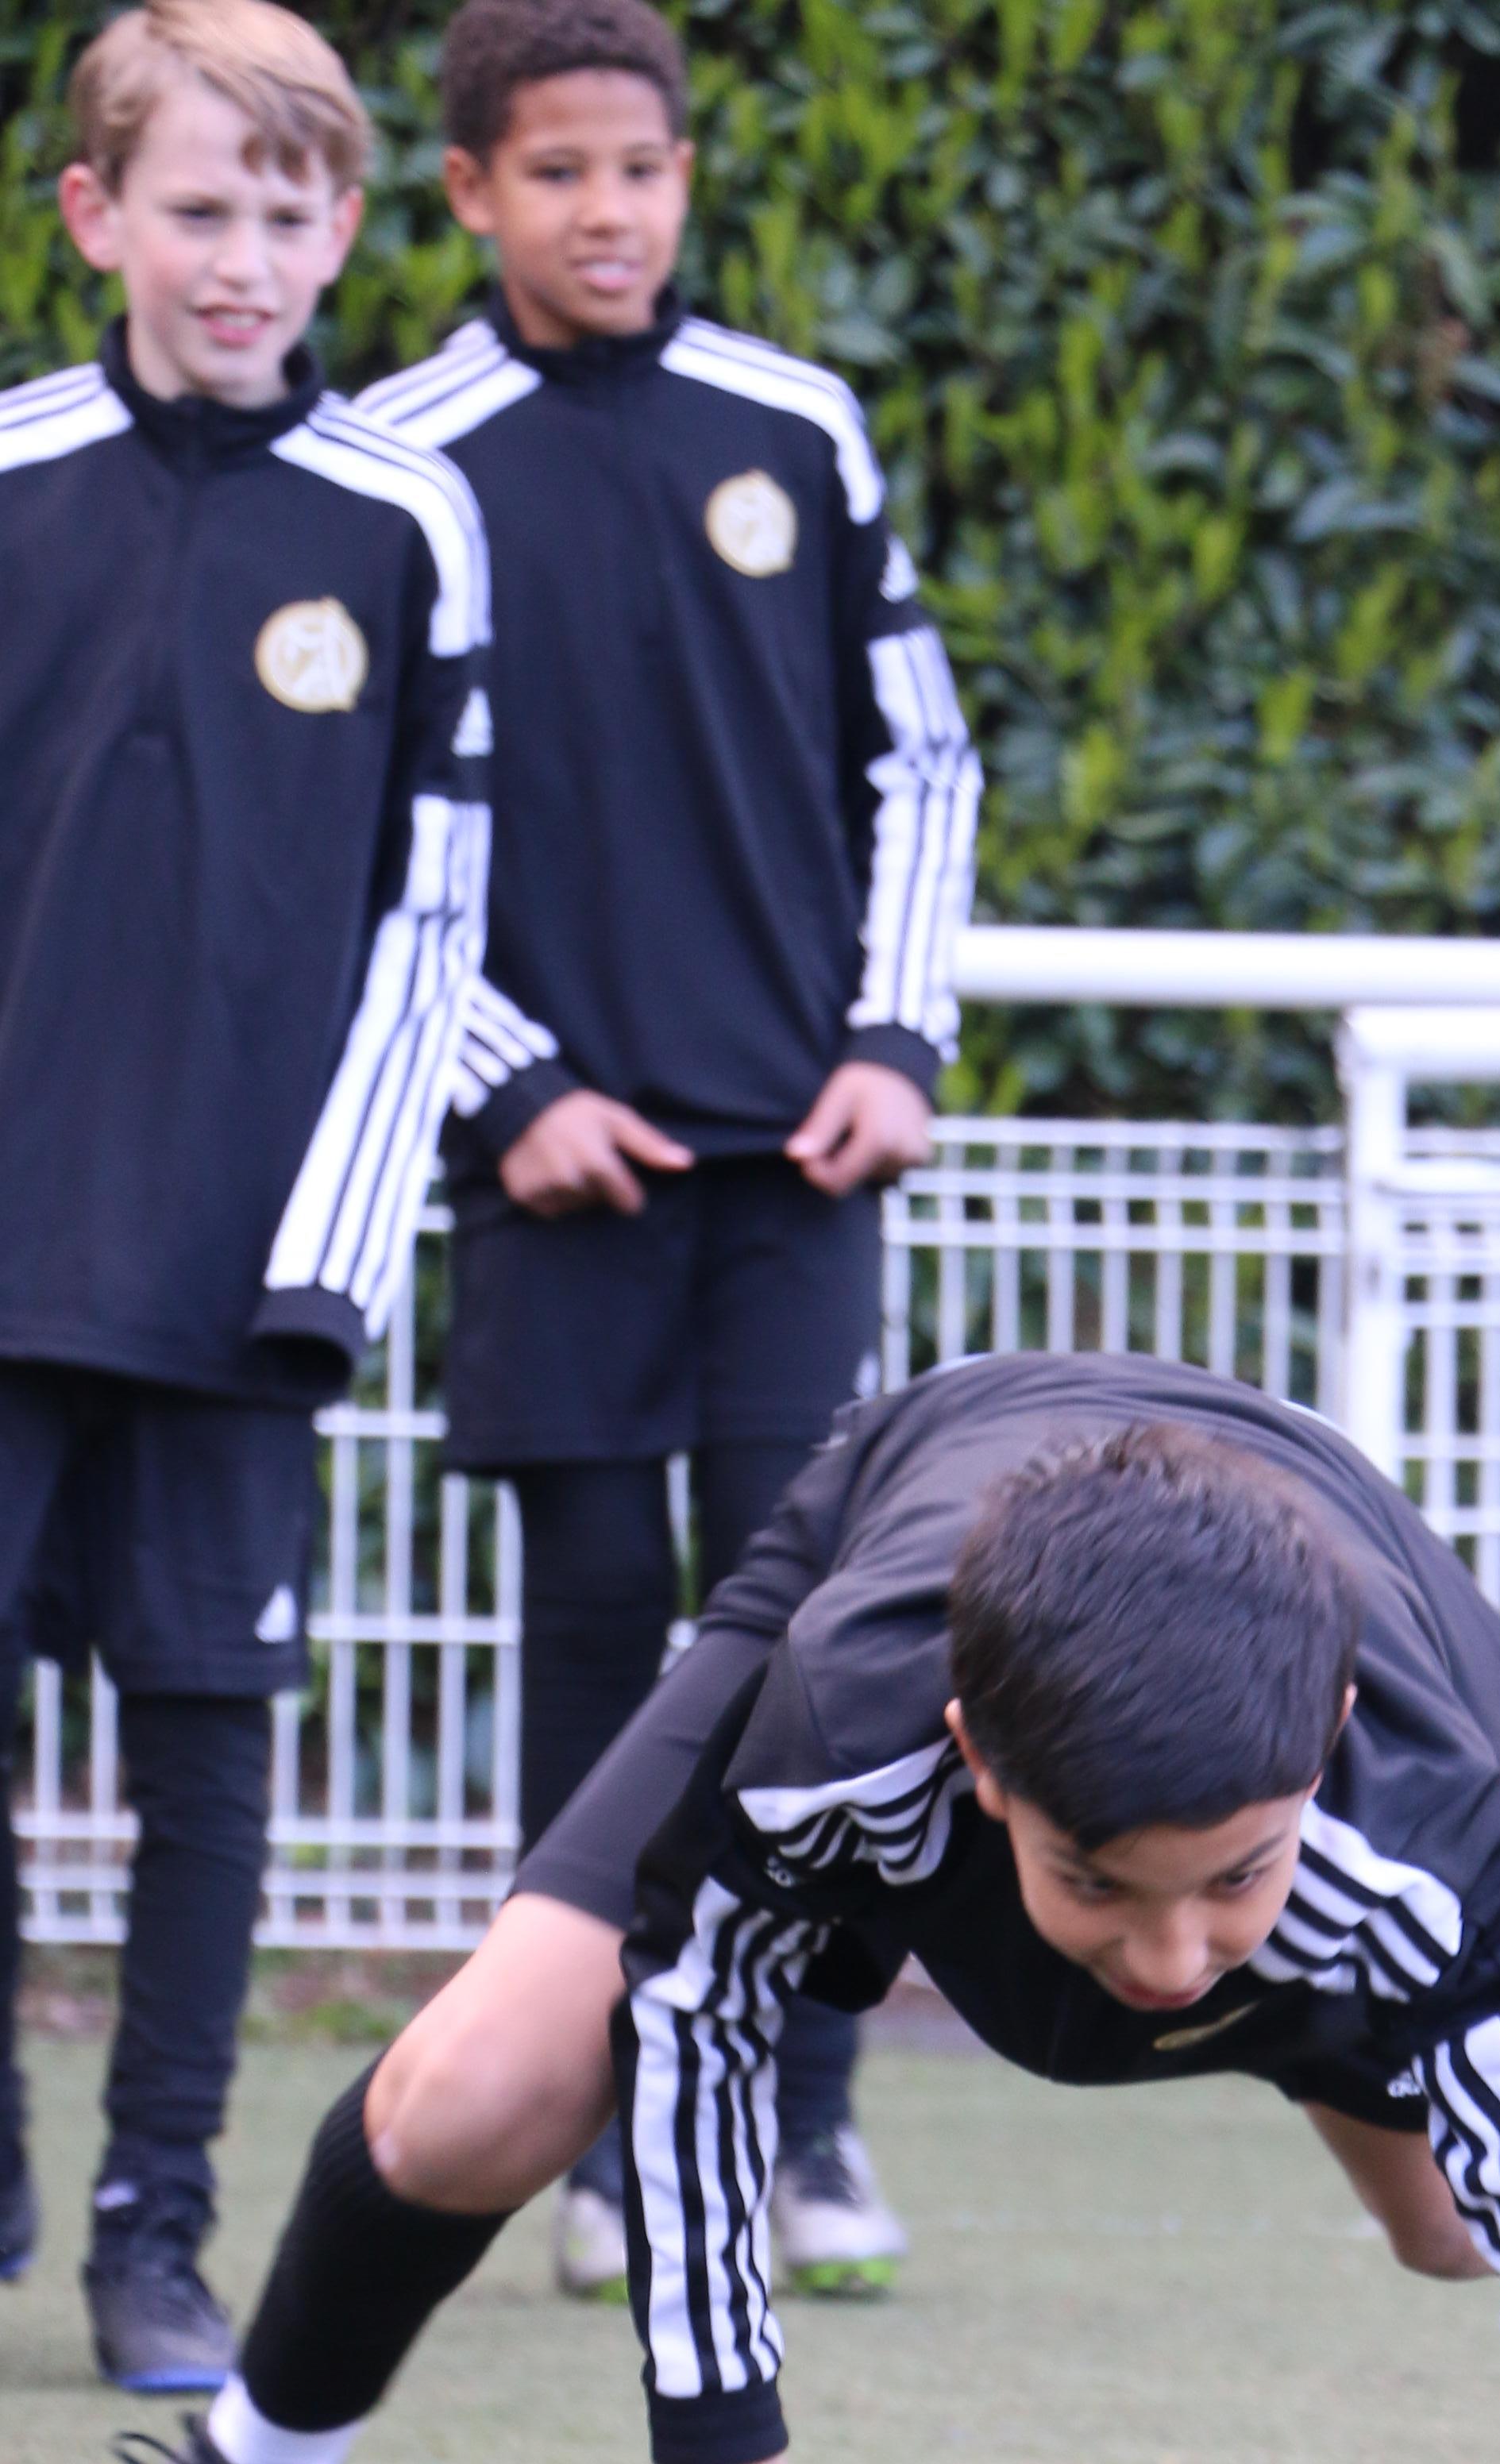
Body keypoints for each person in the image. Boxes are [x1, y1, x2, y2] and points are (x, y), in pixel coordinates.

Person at [0, 1354, 1500, 2464]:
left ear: (1328, 1752)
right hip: (917, 1496)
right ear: (976, 1765)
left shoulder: (1422, 1819)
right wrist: (718, 2444)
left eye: (1233, 1886)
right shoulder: (843, 1725)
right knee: (471, 2087)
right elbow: (701, 2009)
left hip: (1329, 1600)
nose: (1176, 1964)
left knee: (1463, 2222)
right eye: (1101, 1884)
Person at [355, 0, 978, 2307]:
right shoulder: (401, 462)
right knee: (603, 1654)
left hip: (793, 1178)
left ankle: (806, 2129)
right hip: (558, 1187)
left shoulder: (794, 426)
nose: (605, 212)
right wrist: (512, 1085)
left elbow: (920, 766)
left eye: (642, 168)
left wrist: (894, 1039)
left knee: (823, 1649)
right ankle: (604, 2141)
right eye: (555, 173)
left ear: (687, 179)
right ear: (467, 195)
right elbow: (366, 845)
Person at [0, 0, 491, 2386]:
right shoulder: (2, 474)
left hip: (238, 1289)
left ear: (341, 231)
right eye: (198, 208)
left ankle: (150, 2234)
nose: (242, 258)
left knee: (209, 1761)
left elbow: (439, 927)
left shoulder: (407, 522)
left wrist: (333, 1251)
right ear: (94, 214)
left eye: (289, 215)